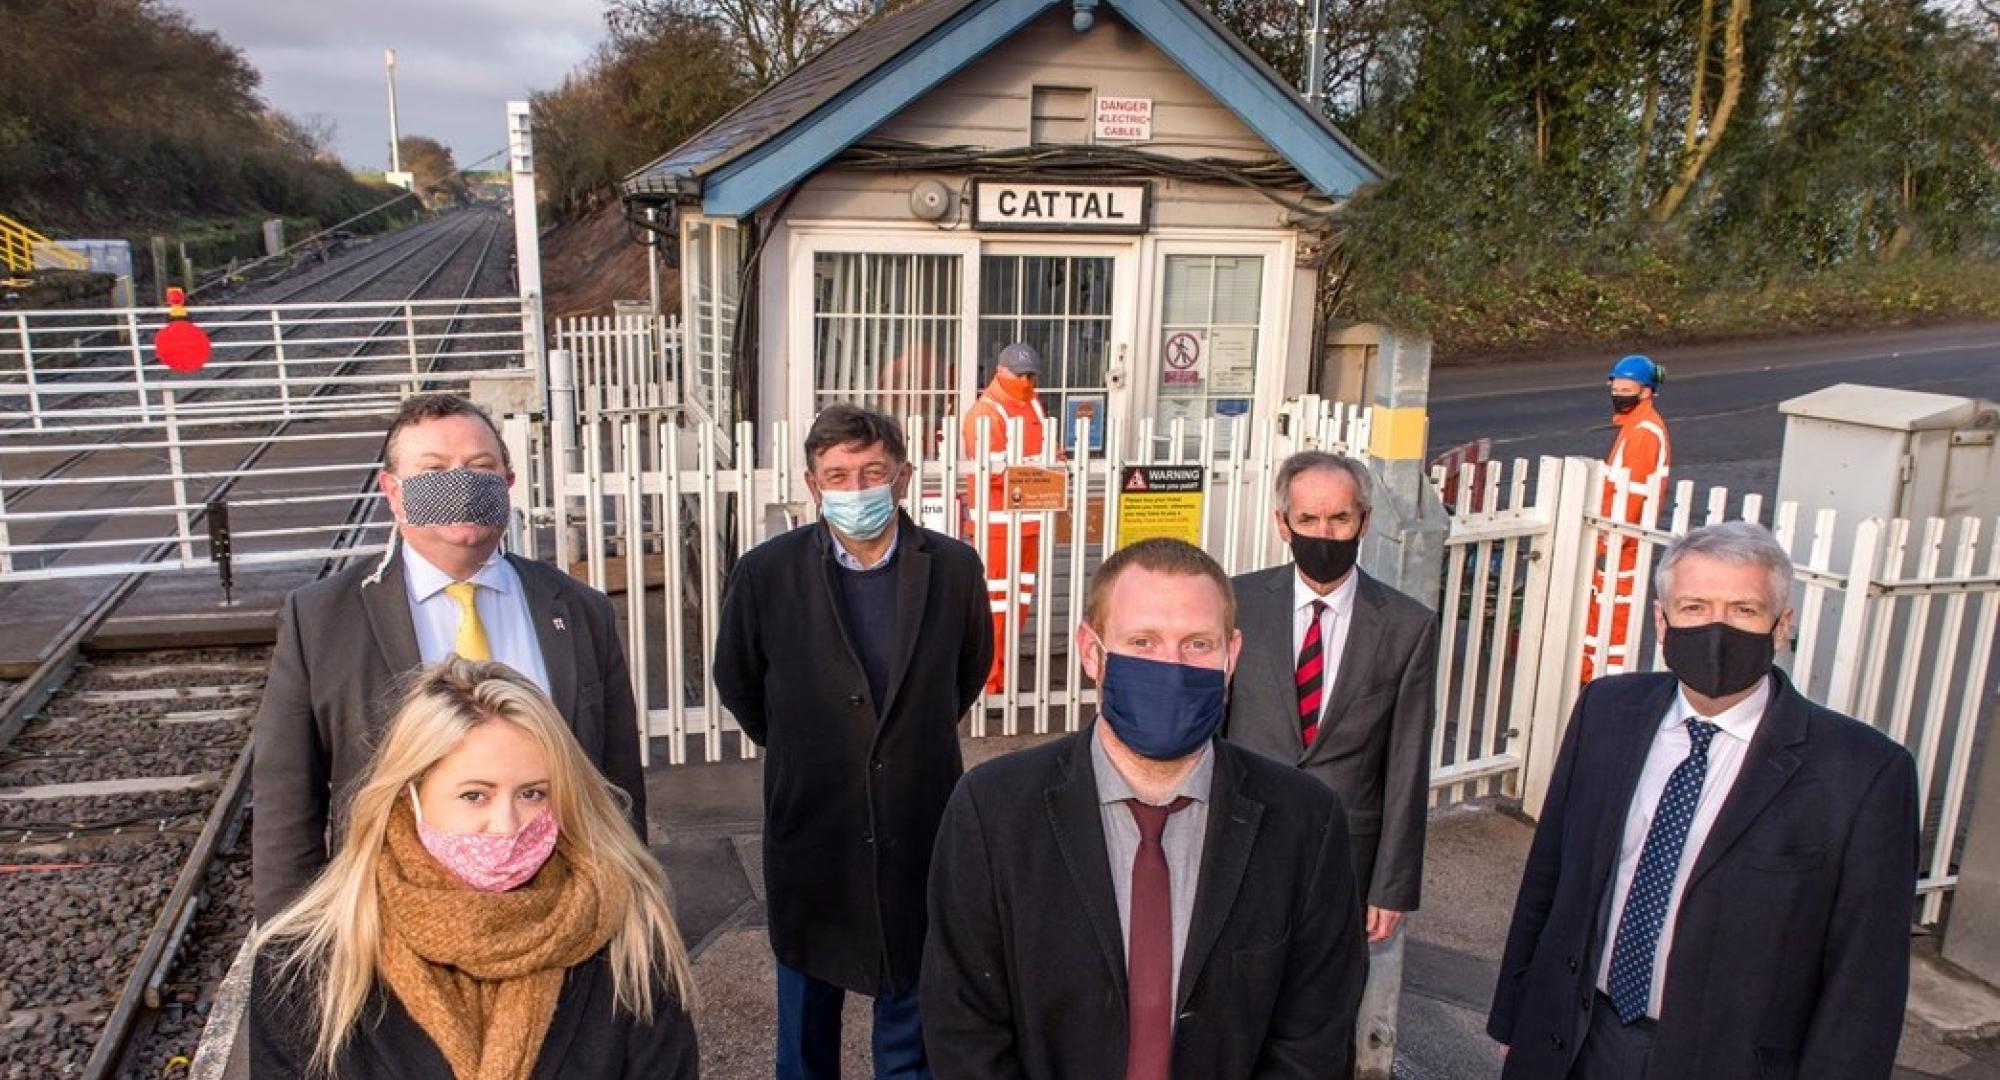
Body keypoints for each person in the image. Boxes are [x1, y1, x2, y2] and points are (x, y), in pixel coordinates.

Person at [923, 538, 1368, 1079]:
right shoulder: (992, 811)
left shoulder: (1305, 821)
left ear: (1232, 657)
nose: (1172, 667)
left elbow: (1314, 1035)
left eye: (1197, 644)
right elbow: (963, 1030)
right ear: (1093, 653)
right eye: (1143, 641)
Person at [1488, 521, 1918, 1080]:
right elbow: (1549, 879)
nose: (1717, 629)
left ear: (1782, 626)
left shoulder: (1863, 773)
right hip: (1577, 1038)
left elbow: (1865, 981)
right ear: (1661, 620)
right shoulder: (1607, 711)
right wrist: (1514, 1018)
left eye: (1743, 610)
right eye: (1694, 607)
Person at [252, 392, 646, 923]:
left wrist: (630, 902)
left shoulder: (579, 610)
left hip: (560, 916)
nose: (460, 484)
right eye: (434, 470)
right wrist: (290, 944)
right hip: (393, 929)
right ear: (393, 493)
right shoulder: (322, 620)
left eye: (480, 468)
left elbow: (618, 780)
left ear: (507, 484)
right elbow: (287, 802)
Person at [248, 658, 697, 1078]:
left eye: (533, 794)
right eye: (474, 796)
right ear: (410, 797)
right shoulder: (304, 963)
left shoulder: (628, 934)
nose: (506, 826)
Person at [714, 404, 991, 1080]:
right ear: (813, 484)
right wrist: (811, 746)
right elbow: (738, 678)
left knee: (910, 1015)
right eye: (838, 474)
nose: (856, 487)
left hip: (916, 819)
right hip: (813, 823)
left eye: (872, 471)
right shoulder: (765, 573)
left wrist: (898, 743)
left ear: (901, 476)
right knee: (806, 1015)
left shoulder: (952, 568)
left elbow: (968, 669)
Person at [1224, 451, 1438, 1059]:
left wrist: (1393, 885)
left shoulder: (1406, 625)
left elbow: (1406, 764)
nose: (1324, 534)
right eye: (1309, 518)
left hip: (1344, 860)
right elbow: (1211, 730)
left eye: (1339, 519)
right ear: (1282, 522)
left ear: (1364, 522)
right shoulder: (1238, 603)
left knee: (1324, 1020)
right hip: (1245, 843)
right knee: (1234, 1007)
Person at [960, 342, 1055, 694]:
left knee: (1017, 608)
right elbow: (997, 472)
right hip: (997, 529)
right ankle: (989, 684)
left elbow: (1052, 452)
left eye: (1032, 375)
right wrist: (1043, 473)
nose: (1028, 382)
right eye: (1022, 375)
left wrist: (1046, 469)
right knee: (994, 612)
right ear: (1000, 372)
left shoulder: (1033, 403)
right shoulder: (985, 413)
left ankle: (1002, 678)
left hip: (1030, 524)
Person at [1583, 354, 1672, 681]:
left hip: (1622, 544)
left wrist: (1607, 543)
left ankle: (1601, 681)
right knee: (1602, 617)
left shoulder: (1643, 433)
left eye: (1625, 388)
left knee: (1611, 621)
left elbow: (1631, 496)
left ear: (1646, 391)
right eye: (1615, 387)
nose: (1618, 393)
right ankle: (1593, 676)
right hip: (1618, 541)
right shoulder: (1635, 427)